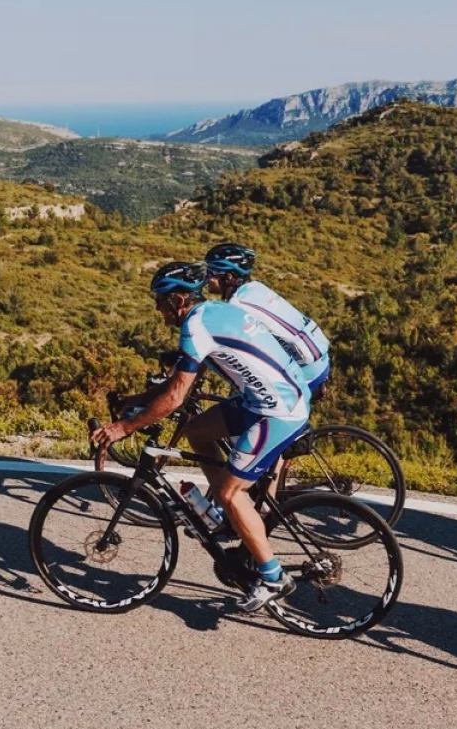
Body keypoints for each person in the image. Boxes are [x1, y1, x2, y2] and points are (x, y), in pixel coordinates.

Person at [89, 261, 311, 612]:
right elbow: (179, 379)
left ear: (178, 299)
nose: (157, 308)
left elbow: (176, 396)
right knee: (196, 432)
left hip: (278, 410)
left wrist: (124, 427)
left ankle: (273, 577)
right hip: (266, 398)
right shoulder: (213, 311)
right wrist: (137, 402)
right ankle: (229, 517)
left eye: (160, 301)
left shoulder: (194, 326)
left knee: (227, 491)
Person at [203, 242, 331, 400]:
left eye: (210, 272)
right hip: (319, 361)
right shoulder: (255, 288)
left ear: (228, 277)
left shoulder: (236, 305)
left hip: (304, 374)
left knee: (244, 410)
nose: (206, 277)